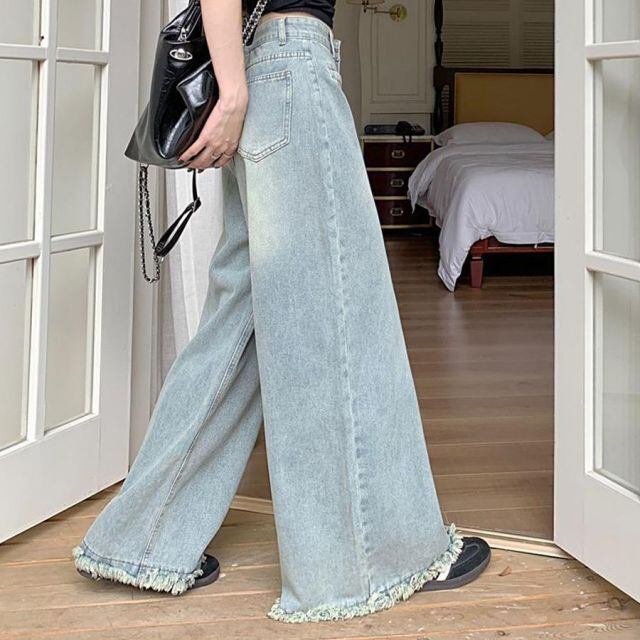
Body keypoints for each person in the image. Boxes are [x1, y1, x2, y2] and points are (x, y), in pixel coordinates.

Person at [72, 0, 490, 624]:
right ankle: (363, 563)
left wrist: (241, 89)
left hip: (272, 74)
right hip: (290, 70)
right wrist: (232, 93)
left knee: (237, 330)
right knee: (336, 322)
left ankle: (142, 540)